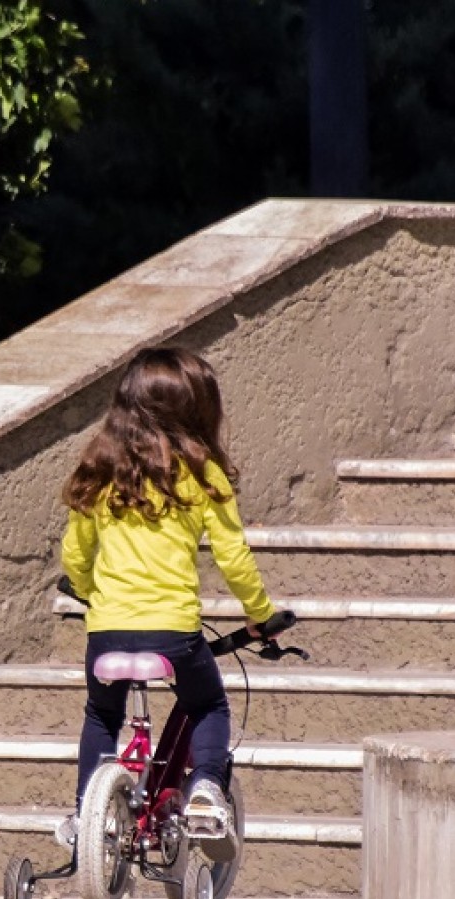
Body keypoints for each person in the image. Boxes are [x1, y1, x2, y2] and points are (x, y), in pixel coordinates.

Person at [56, 346, 277, 862]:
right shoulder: (202, 475)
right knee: (208, 704)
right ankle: (204, 790)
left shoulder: (99, 468)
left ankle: (86, 812)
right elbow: (234, 557)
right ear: (198, 409)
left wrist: (89, 590)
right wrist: (259, 614)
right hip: (175, 634)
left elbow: (75, 554)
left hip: (105, 631)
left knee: (100, 715)